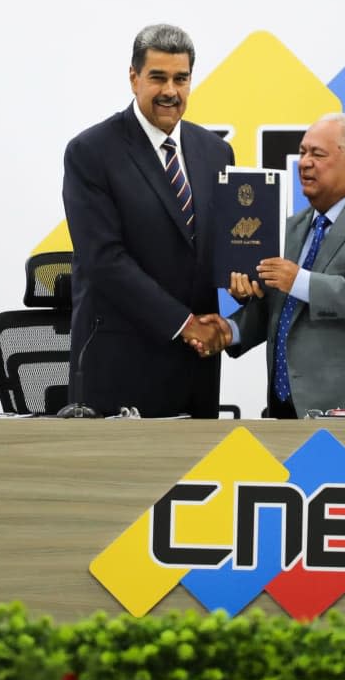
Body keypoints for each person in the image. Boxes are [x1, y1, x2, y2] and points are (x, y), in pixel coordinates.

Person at [197, 112, 345, 418]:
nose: (304, 162)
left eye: (318, 154)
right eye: (302, 152)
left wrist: (299, 281)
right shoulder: (290, 228)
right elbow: (279, 308)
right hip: (289, 411)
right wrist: (231, 330)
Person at [62, 24, 234, 417]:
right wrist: (183, 323)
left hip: (197, 367)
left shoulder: (217, 152)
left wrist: (238, 291)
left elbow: (219, 248)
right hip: (121, 365)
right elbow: (104, 260)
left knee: (196, 477)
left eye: (181, 78)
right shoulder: (91, 152)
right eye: (158, 77)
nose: (170, 91)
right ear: (134, 77)